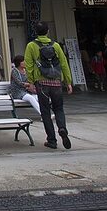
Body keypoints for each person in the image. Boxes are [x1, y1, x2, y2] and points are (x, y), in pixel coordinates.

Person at [25, 21, 73, 150]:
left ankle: (51, 140)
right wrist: (68, 82)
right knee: (59, 109)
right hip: (56, 82)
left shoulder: (31, 46)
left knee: (45, 112)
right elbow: (63, 64)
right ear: (47, 31)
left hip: (41, 83)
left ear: (36, 32)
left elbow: (29, 65)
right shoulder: (56, 45)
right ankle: (62, 128)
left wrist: (30, 81)